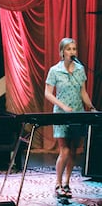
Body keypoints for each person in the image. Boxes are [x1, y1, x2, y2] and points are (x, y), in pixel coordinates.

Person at [44, 37, 96, 199]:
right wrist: (63, 106)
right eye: (69, 49)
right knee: (65, 150)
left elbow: (83, 93)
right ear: (62, 52)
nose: (72, 52)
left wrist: (91, 107)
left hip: (78, 113)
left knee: (73, 151)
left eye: (74, 49)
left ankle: (67, 183)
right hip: (61, 114)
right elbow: (47, 93)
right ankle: (58, 183)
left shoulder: (80, 69)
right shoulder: (55, 70)